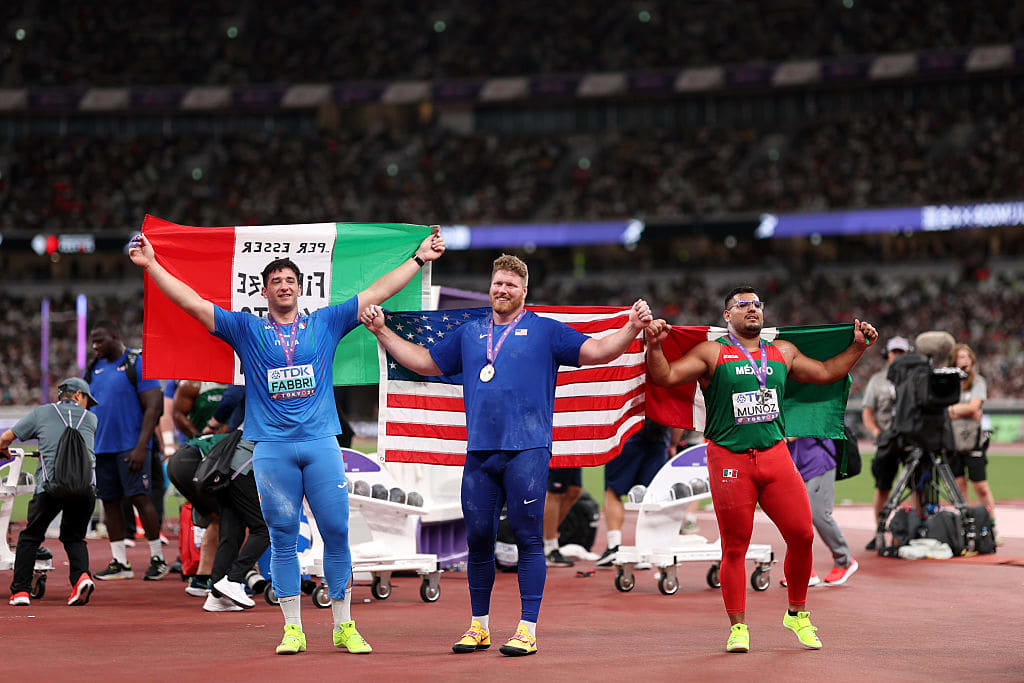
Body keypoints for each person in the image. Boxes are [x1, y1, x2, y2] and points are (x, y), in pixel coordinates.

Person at [129, 227, 444, 655]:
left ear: (301, 288)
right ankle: (292, 628)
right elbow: (193, 303)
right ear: (264, 290)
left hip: (320, 444)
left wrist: (421, 258)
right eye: (275, 281)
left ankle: (344, 625)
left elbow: (377, 291)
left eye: (290, 281)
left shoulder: (326, 322)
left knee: (336, 531)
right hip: (272, 448)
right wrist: (151, 266)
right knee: (281, 536)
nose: (283, 286)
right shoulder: (245, 330)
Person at [360, 253, 651, 656]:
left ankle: (527, 628)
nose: (502, 289)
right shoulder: (469, 332)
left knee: (529, 538)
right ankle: (479, 626)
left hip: (527, 450)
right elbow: (426, 363)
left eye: (511, 285)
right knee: (479, 539)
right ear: (490, 286)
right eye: (498, 283)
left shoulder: (546, 332)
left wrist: (632, 328)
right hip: (480, 452)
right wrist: (382, 333)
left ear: (524, 291)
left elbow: (598, 352)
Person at [645, 286, 877, 653]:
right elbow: (666, 378)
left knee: (802, 535)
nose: (752, 310)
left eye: (757, 305)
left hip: (775, 456)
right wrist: (655, 345)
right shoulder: (712, 352)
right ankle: (738, 626)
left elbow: (826, 372)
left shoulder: (782, 351)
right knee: (735, 547)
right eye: (743, 305)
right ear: (727, 316)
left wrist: (858, 347)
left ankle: (797, 614)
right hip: (730, 459)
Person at [2, 378, 99, 607]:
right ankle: (81, 578)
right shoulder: (92, 419)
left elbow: (6, 437)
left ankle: (21, 592)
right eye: (87, 400)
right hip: (86, 489)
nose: (89, 406)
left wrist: (3, 450)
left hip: (51, 487)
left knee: (31, 537)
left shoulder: (42, 413)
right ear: (77, 395)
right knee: (74, 537)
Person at [86, 321, 168, 581]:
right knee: (109, 502)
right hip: (103, 448)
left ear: (115, 335)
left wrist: (142, 447)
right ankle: (120, 562)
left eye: (100, 340)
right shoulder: (93, 368)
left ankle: (158, 558)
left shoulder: (137, 361)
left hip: (131, 446)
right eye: (92, 341)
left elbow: (154, 406)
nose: (95, 346)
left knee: (141, 498)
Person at [595, 420, 680, 567]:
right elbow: (676, 414)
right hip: (658, 440)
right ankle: (645, 548)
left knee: (613, 491)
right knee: (650, 496)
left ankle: (614, 546)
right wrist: (673, 443)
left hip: (626, 437)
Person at [784, 437, 858, 587]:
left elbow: (813, 420)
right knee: (795, 518)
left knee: (819, 514)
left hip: (817, 460)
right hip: (794, 461)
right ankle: (804, 570)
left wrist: (786, 438)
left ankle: (844, 561)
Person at [946, 344, 1000, 544]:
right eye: (961, 356)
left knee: (981, 486)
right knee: (959, 486)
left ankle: (992, 526)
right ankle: (965, 526)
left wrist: (953, 410)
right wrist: (964, 409)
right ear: (954, 361)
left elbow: (974, 406)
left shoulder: (978, 382)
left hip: (974, 441)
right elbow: (947, 408)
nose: (965, 360)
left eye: (967, 356)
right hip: (953, 441)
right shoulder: (948, 382)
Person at [861, 335, 910, 550]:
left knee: (916, 486)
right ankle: (879, 529)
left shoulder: (914, 379)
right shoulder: (877, 380)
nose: (897, 356)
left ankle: (915, 529)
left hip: (910, 438)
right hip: (886, 438)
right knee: (883, 487)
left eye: (902, 352)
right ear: (887, 354)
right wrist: (876, 432)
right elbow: (867, 411)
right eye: (894, 352)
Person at [542, 467, 582, 567]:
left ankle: (541, 537)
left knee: (574, 490)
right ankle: (550, 548)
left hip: (574, 451)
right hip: (558, 452)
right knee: (555, 491)